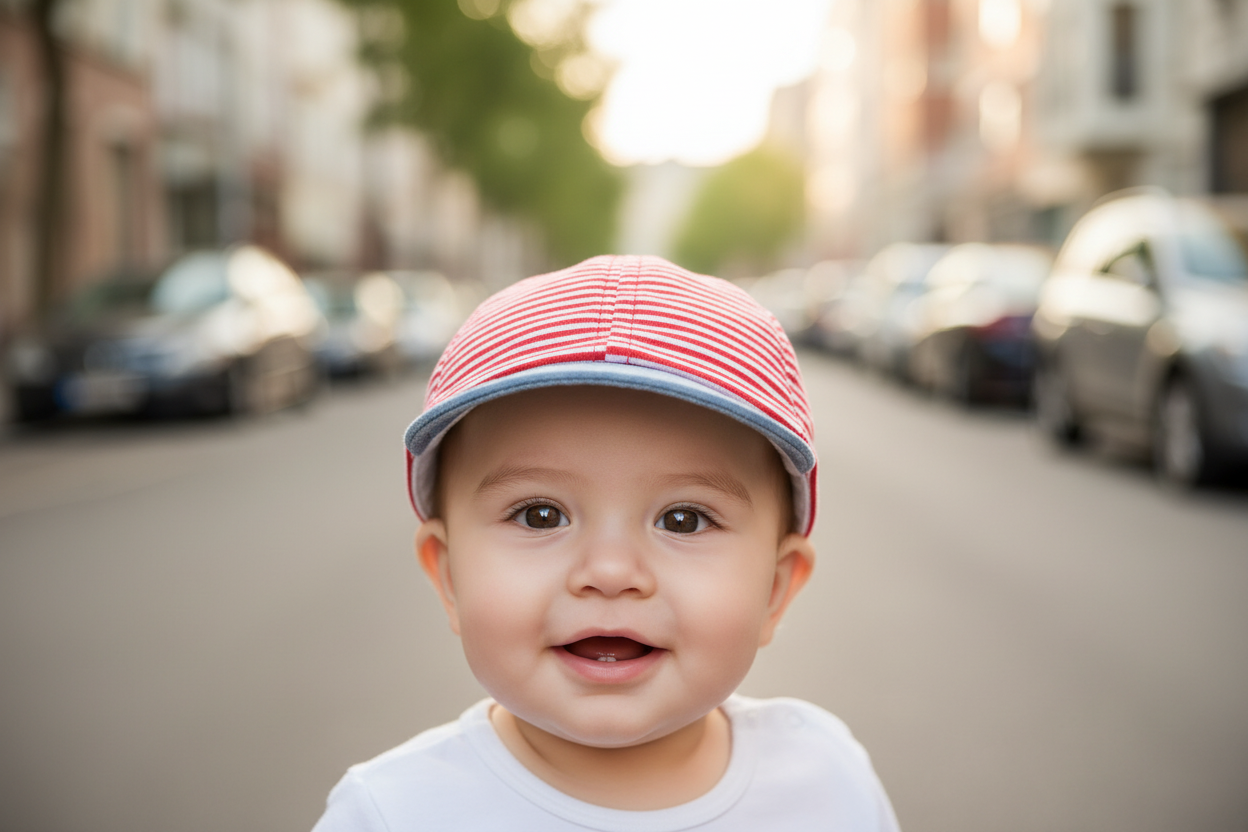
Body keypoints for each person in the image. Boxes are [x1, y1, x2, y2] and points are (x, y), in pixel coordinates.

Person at [312, 255, 900, 831]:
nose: (612, 570)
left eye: (685, 520)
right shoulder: (391, 814)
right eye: (541, 515)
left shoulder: (828, 781)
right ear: (447, 576)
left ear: (775, 588)